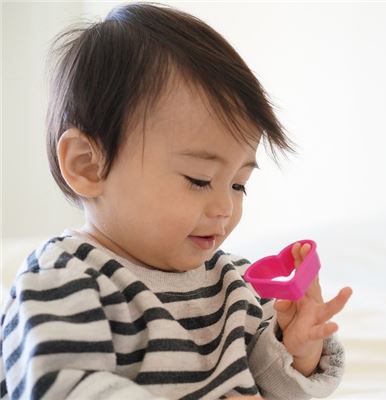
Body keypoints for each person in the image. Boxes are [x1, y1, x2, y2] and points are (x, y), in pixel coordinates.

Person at [0, 3, 352, 399]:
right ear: (88, 166)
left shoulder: (234, 284)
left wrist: (297, 349)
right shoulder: (63, 281)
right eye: (199, 180)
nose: (225, 208)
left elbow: (272, 387)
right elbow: (63, 390)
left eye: (239, 185)